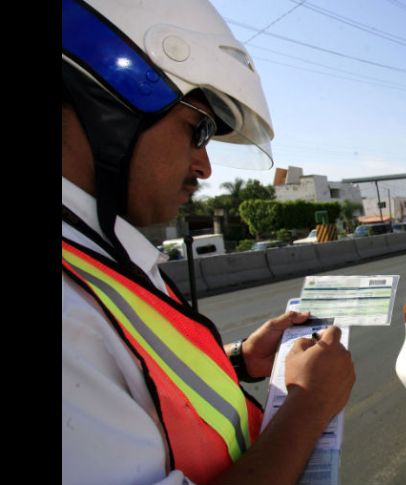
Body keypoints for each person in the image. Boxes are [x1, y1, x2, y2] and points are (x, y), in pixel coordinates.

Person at [61, 1, 355, 484]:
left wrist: (237, 358)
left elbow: (140, 380)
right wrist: (311, 403)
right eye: (197, 130)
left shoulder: (101, 253)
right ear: (109, 100)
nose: (205, 167)